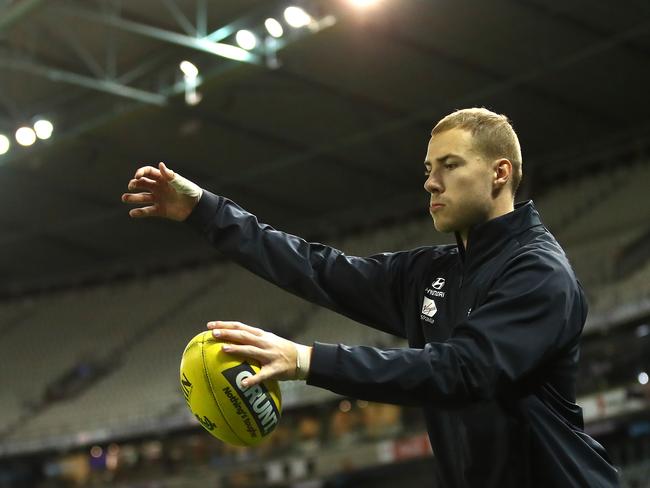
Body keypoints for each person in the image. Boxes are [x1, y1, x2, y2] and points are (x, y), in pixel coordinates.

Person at [121, 108, 620, 487]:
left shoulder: (537, 271)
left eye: (449, 165)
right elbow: (319, 269)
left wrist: (305, 360)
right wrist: (206, 212)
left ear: (500, 173)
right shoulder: (434, 272)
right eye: (428, 168)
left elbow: (462, 370)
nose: (431, 182)